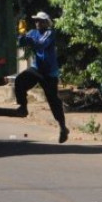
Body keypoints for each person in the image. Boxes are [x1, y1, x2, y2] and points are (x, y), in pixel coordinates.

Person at [13, 11, 69, 143]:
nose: (38, 23)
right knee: (20, 81)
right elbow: (20, 43)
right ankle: (23, 106)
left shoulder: (50, 33)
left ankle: (62, 127)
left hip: (49, 72)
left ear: (46, 22)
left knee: (53, 101)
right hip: (37, 69)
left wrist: (28, 38)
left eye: (40, 21)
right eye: (36, 20)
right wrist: (21, 34)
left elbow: (41, 44)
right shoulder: (33, 32)